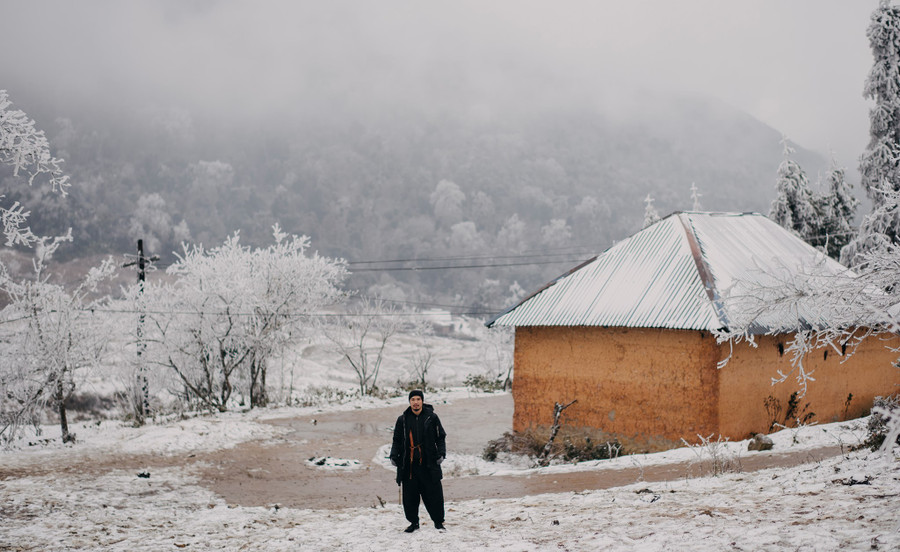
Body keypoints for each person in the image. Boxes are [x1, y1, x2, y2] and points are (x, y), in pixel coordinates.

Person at [389, 389, 447, 533]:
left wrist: (441, 453)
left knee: (434, 495)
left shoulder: (432, 418)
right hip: (409, 466)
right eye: (413, 399)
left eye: (418, 399)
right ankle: (413, 523)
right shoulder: (402, 420)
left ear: (422, 401)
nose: (416, 402)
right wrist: (393, 455)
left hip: (428, 464)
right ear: (409, 402)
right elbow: (396, 440)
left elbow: (441, 437)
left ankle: (438, 522)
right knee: (410, 497)